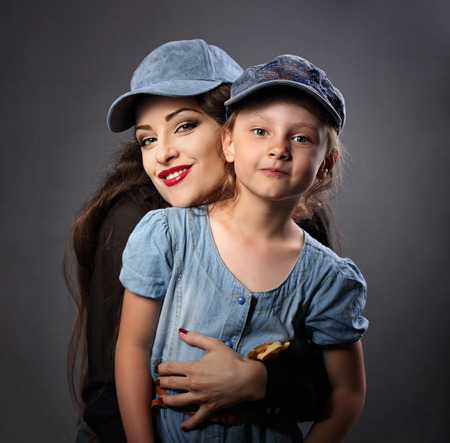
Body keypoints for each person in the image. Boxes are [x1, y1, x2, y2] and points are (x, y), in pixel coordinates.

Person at [65, 40, 332, 443]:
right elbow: (109, 393)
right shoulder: (139, 222)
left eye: (185, 125)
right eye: (147, 139)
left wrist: (259, 381)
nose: (163, 154)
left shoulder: (298, 222)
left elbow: (330, 383)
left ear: (233, 132)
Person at [115, 54, 368, 442]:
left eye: (300, 138)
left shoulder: (328, 277)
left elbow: (347, 392)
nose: (278, 148)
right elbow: (132, 347)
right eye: (260, 131)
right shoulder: (167, 234)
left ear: (326, 164)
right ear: (228, 143)